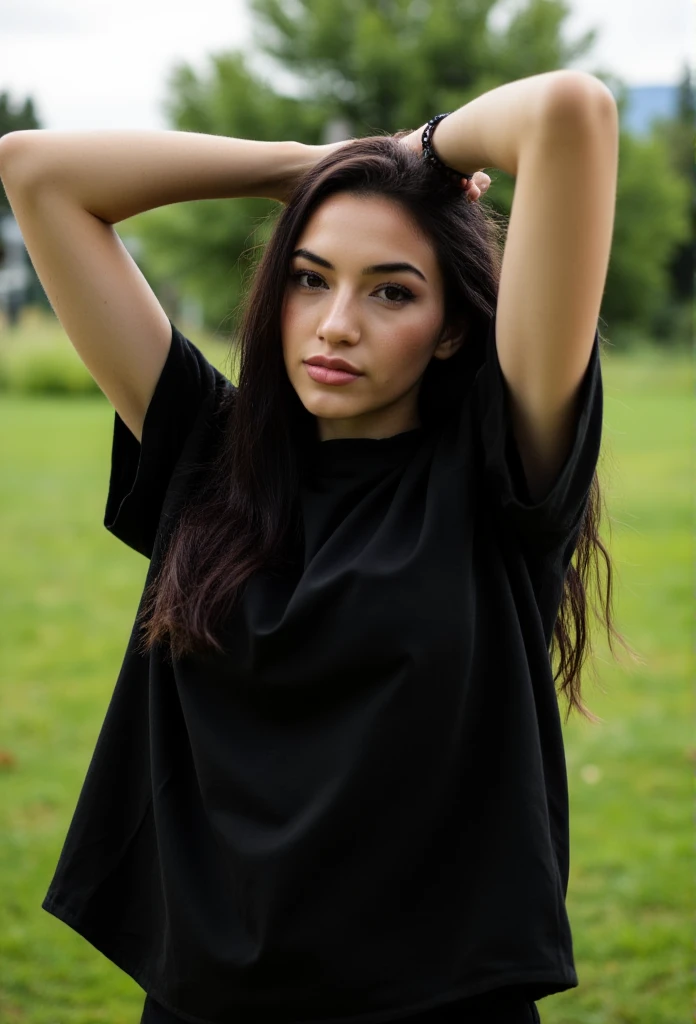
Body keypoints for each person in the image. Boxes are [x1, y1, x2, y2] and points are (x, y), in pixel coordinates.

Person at [0, 68, 624, 1024]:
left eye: (391, 292)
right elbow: (37, 170)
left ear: (453, 329)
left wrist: (414, 152)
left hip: (435, 1002)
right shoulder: (208, 458)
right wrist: (314, 168)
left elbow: (568, 112)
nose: (336, 325)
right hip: (206, 1003)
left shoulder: (499, 476)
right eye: (310, 277)